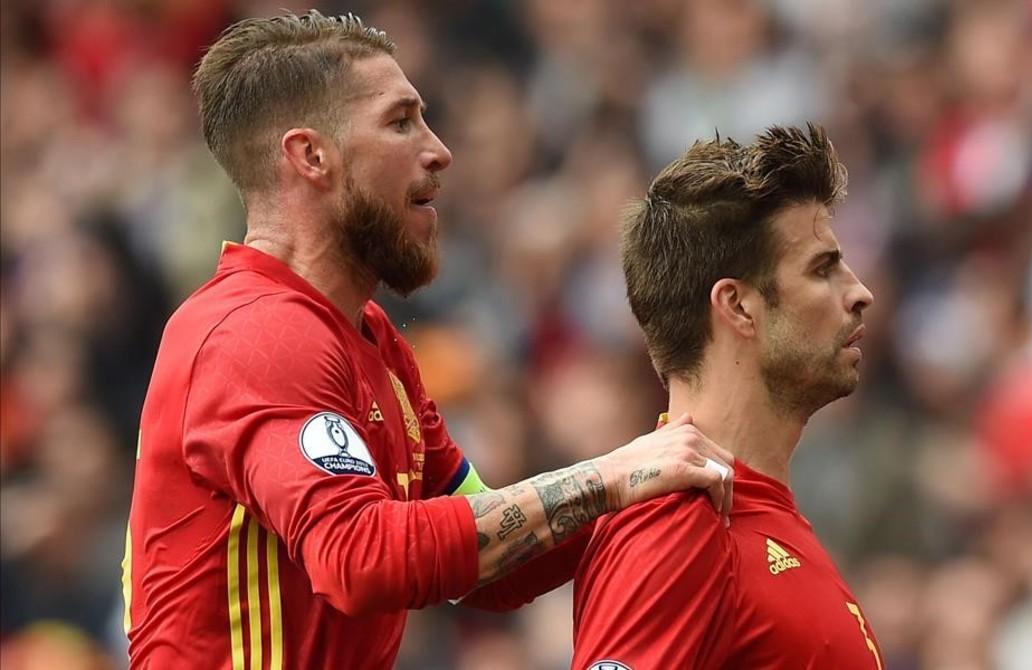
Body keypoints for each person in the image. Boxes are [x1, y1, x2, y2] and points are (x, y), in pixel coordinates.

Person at [120, 11, 734, 669]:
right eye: (400, 121)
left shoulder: (371, 341)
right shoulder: (253, 333)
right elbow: (359, 559)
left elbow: (490, 562)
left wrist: (658, 481)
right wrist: (611, 477)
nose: (439, 149)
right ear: (310, 157)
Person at [571, 125, 884, 669]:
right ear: (738, 307)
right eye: (822, 268)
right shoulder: (677, 527)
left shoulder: (752, 513)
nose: (860, 292)